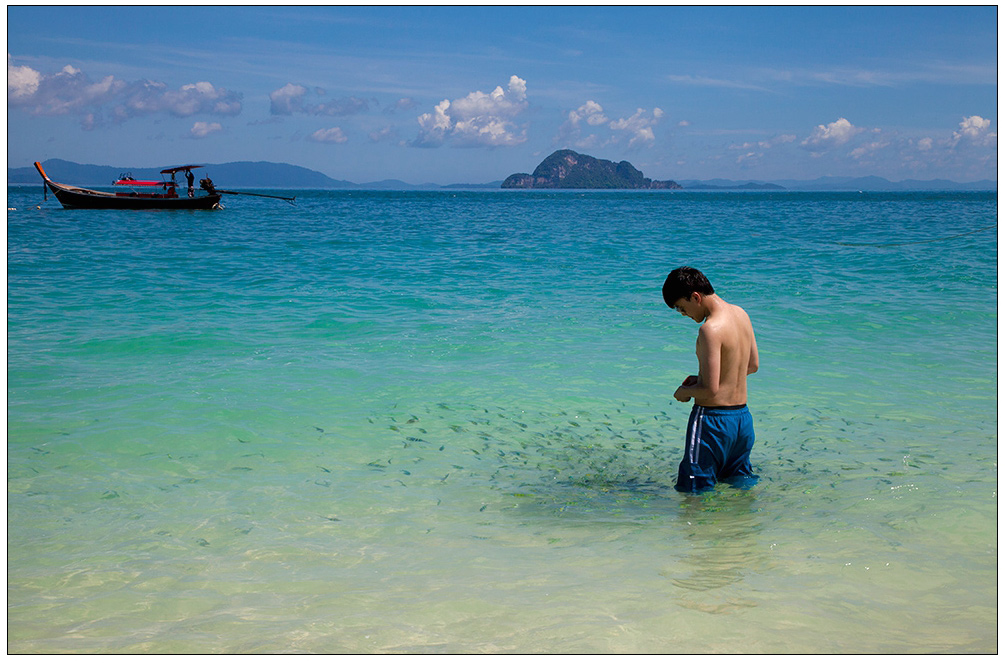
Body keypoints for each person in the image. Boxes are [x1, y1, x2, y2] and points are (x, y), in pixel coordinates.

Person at [662, 266, 759, 492]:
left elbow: (710, 391)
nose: (684, 315)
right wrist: (703, 378)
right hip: (742, 421)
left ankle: (695, 528)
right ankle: (741, 527)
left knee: (694, 490)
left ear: (695, 297)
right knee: (739, 485)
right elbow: (752, 366)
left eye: (682, 308)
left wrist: (683, 391)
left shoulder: (710, 329)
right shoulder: (741, 314)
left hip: (712, 422)